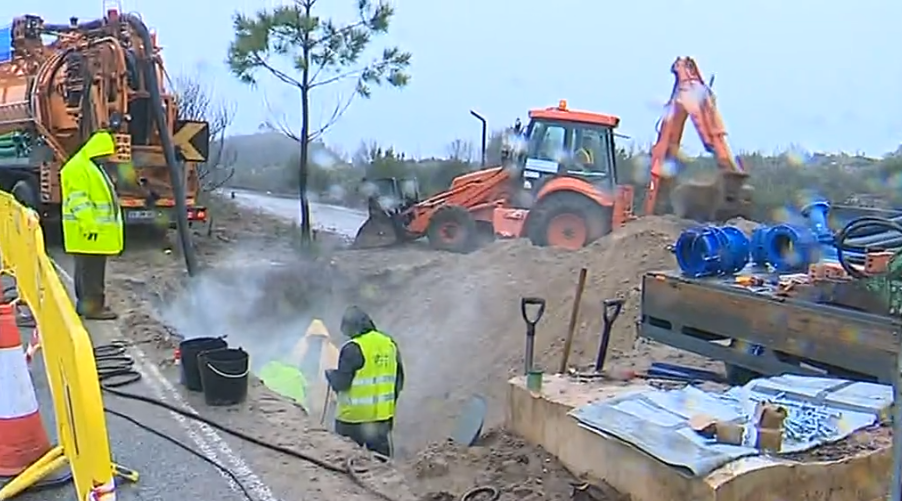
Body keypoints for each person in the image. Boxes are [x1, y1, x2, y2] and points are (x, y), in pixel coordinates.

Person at [60, 130, 124, 320]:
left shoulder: (89, 166)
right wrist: (89, 225)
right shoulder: (79, 168)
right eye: (105, 153)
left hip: (90, 232)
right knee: (92, 273)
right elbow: (79, 201)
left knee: (87, 271)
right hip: (88, 231)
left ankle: (86, 305)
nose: (107, 158)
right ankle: (93, 308)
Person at [325, 306, 404, 457]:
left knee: (346, 459)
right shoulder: (389, 344)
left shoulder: (353, 347)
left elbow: (342, 383)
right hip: (381, 418)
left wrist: (330, 375)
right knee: (382, 462)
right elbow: (399, 380)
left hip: (352, 420)